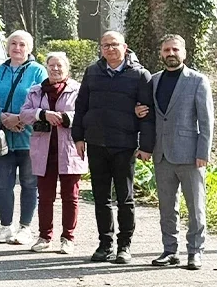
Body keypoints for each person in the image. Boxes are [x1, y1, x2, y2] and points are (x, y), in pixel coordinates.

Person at [72, 31, 154, 264]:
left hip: (124, 145)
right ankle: (105, 243)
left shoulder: (140, 75)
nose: (109, 49)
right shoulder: (92, 72)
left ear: (124, 46)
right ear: (100, 48)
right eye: (105, 45)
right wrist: (78, 137)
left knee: (125, 198)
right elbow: (81, 107)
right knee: (100, 198)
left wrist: (146, 146)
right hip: (96, 143)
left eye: (114, 45)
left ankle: (124, 246)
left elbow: (147, 114)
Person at [136, 35, 213, 270]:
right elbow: (150, 115)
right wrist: (139, 111)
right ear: (161, 53)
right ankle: (170, 250)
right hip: (162, 155)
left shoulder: (198, 81)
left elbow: (207, 121)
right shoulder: (154, 80)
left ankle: (195, 251)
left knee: (195, 206)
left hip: (190, 155)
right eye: (166, 49)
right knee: (167, 207)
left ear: (184, 53)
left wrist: (203, 152)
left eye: (175, 49)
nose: (171, 53)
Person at [19, 52, 87, 255]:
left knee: (70, 196)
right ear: (46, 68)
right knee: (45, 197)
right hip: (44, 150)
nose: (55, 69)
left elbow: (87, 113)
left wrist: (66, 118)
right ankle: (44, 236)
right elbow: (24, 113)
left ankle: (68, 237)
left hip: (70, 148)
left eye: (60, 66)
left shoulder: (78, 90)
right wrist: (42, 114)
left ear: (67, 68)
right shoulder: (36, 90)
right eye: (51, 66)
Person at [0, 30, 48, 245]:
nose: (17, 48)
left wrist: (21, 119)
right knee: (2, 184)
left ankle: (25, 227)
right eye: (13, 43)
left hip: (30, 139)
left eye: (22, 44)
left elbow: (43, 102)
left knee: (29, 184)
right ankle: (6, 226)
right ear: (7, 47)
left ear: (29, 48)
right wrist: (3, 118)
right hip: (3, 139)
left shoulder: (38, 71)